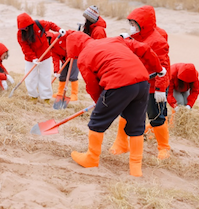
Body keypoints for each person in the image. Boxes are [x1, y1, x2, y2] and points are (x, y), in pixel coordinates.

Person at [66, 32, 164, 177]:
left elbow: (92, 86)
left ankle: (91, 159)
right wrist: (159, 68)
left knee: (97, 121)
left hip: (119, 84)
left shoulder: (84, 57)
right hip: (142, 82)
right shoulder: (113, 40)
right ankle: (135, 168)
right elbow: (143, 48)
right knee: (137, 125)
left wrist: (101, 103)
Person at [111, 6, 171, 160]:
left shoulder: (157, 41)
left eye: (134, 23)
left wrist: (160, 89)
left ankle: (164, 148)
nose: (131, 26)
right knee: (126, 111)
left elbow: (163, 67)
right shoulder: (135, 37)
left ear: (143, 24)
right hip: (135, 82)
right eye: (130, 23)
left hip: (153, 86)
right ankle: (121, 143)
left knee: (155, 115)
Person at [16, 13, 65, 103]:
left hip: (45, 55)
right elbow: (25, 47)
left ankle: (46, 97)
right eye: (22, 29)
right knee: (30, 77)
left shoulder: (39, 24)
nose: (24, 30)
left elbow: (51, 25)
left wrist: (59, 29)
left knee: (45, 77)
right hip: (30, 58)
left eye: (26, 28)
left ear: (30, 25)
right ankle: (33, 96)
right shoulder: (20, 34)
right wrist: (33, 58)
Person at [48, 30, 79, 101]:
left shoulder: (59, 36)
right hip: (65, 58)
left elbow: (71, 33)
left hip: (74, 55)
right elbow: (55, 59)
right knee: (62, 75)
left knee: (73, 76)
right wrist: (56, 71)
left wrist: (72, 34)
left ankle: (74, 94)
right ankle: (60, 92)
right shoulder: (51, 47)